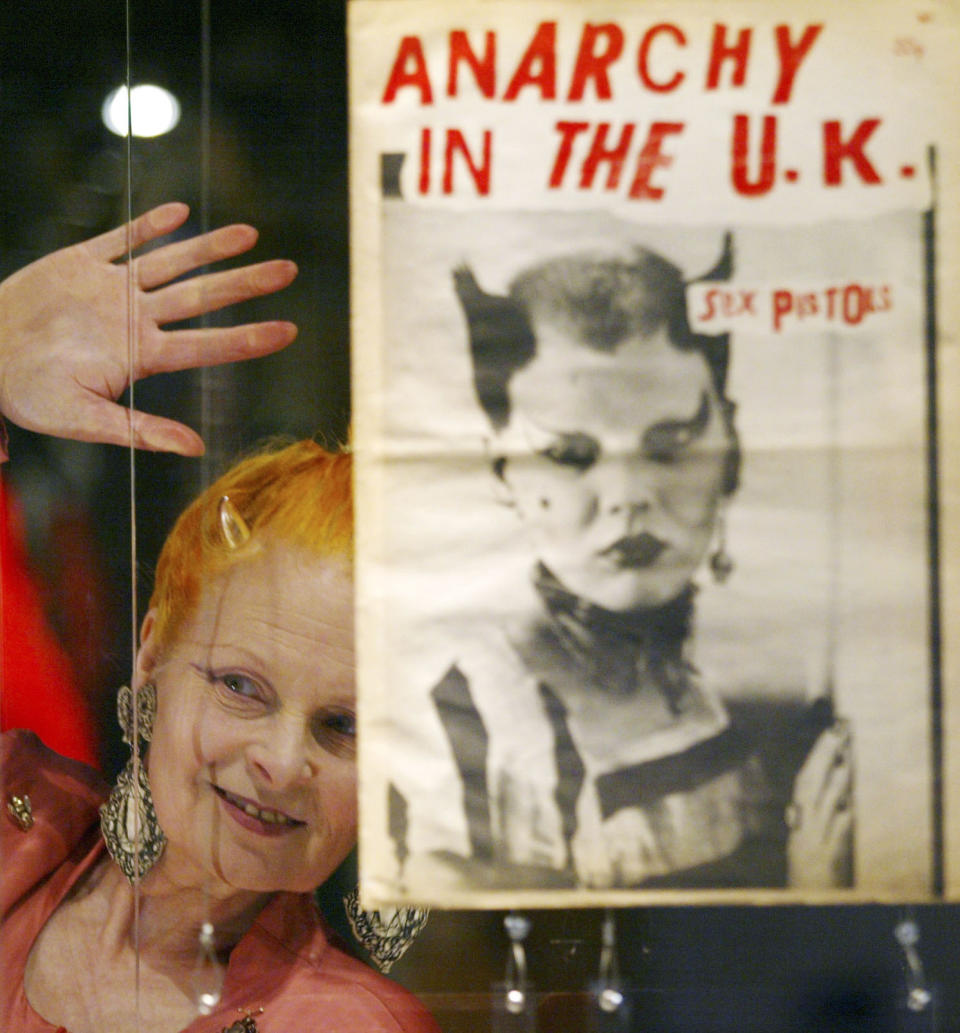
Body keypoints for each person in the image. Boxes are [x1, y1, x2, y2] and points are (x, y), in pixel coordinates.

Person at [0, 208, 440, 1033]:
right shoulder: (15, 820)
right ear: (151, 654)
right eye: (241, 686)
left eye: (343, 725)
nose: (279, 762)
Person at [389, 243, 852, 893]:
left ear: (733, 449)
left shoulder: (795, 668)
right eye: (570, 454)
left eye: (670, 446)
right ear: (504, 469)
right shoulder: (479, 712)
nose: (629, 493)